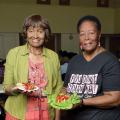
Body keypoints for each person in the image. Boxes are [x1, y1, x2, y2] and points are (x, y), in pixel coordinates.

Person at [3, 14, 63, 120]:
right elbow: (7, 87)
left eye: (40, 31)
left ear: (46, 34)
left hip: (46, 113)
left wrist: (57, 118)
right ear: (26, 33)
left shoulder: (53, 56)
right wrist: (17, 88)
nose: (35, 36)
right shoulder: (14, 53)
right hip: (18, 113)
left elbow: (58, 89)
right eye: (31, 31)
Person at [63, 15, 120, 120]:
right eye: (82, 34)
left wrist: (81, 102)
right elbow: (66, 88)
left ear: (99, 34)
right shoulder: (74, 61)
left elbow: (115, 99)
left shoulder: (110, 61)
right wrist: (61, 96)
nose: (86, 38)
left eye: (91, 33)